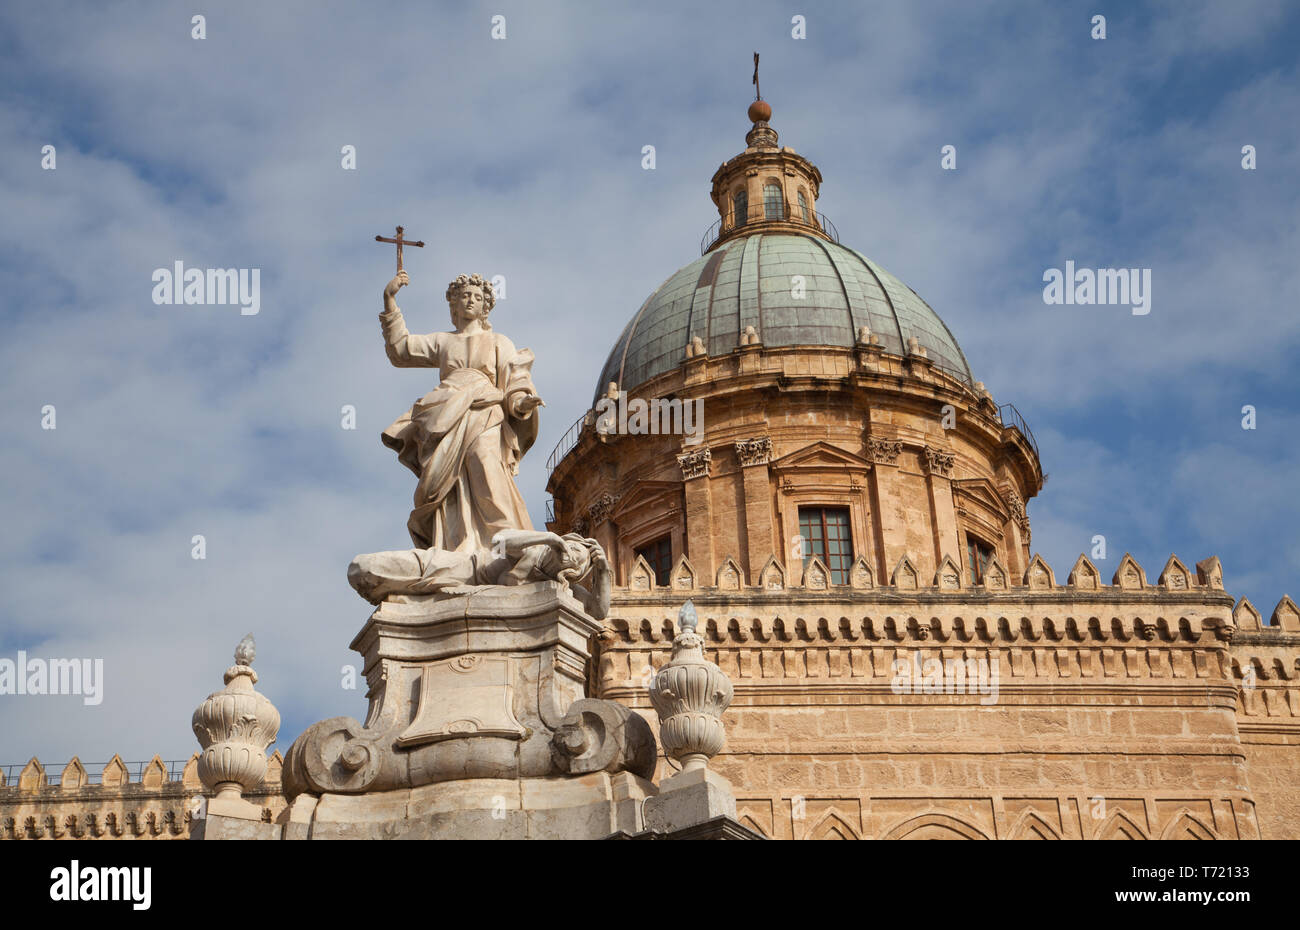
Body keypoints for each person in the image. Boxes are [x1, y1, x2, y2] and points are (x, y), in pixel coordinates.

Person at [379, 270, 544, 551]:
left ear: (485, 306)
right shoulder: (444, 341)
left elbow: (515, 377)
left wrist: (521, 402)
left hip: (485, 410)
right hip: (446, 412)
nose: (470, 300)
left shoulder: (499, 342)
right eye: (464, 296)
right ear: (454, 303)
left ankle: (503, 535)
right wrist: (390, 299)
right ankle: (457, 540)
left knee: (485, 463)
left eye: (477, 297)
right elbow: (402, 350)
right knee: (446, 483)